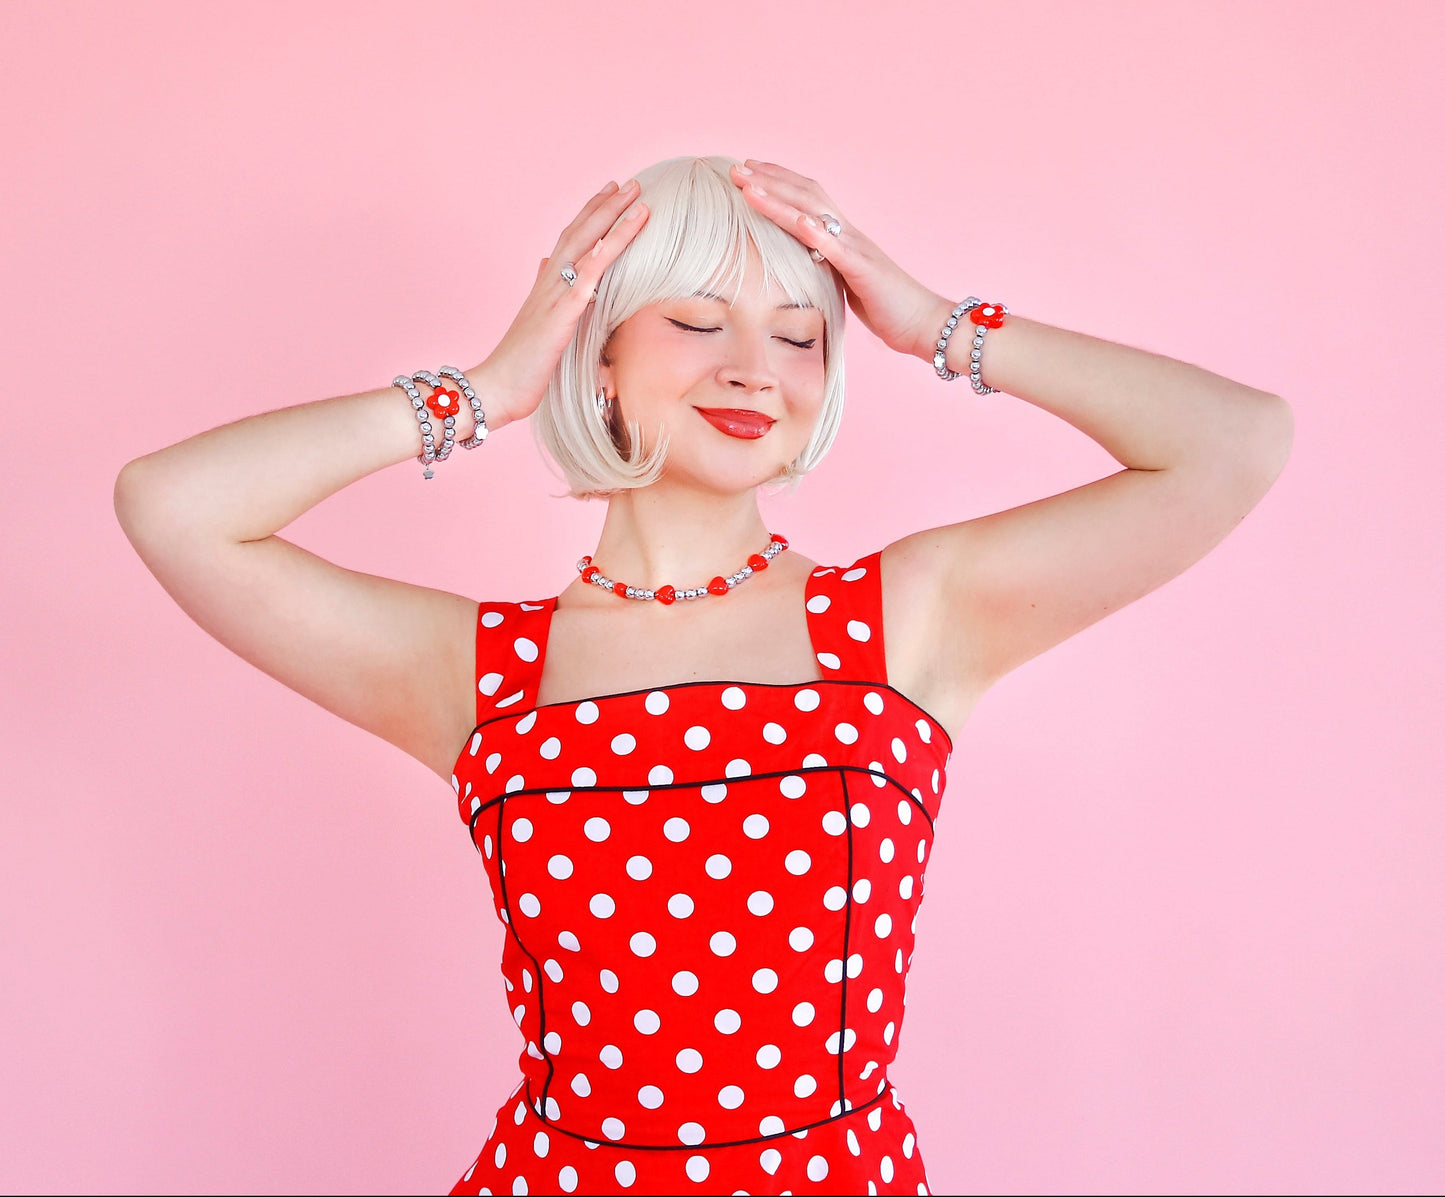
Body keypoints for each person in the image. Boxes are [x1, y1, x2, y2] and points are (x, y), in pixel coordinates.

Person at [113, 154, 1293, 1196]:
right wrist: (485, 392)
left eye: (796, 333)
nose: (752, 369)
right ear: (602, 354)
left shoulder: (905, 621)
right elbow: (174, 507)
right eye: (694, 320)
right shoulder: (478, 673)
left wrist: (937, 324)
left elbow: (1232, 441)